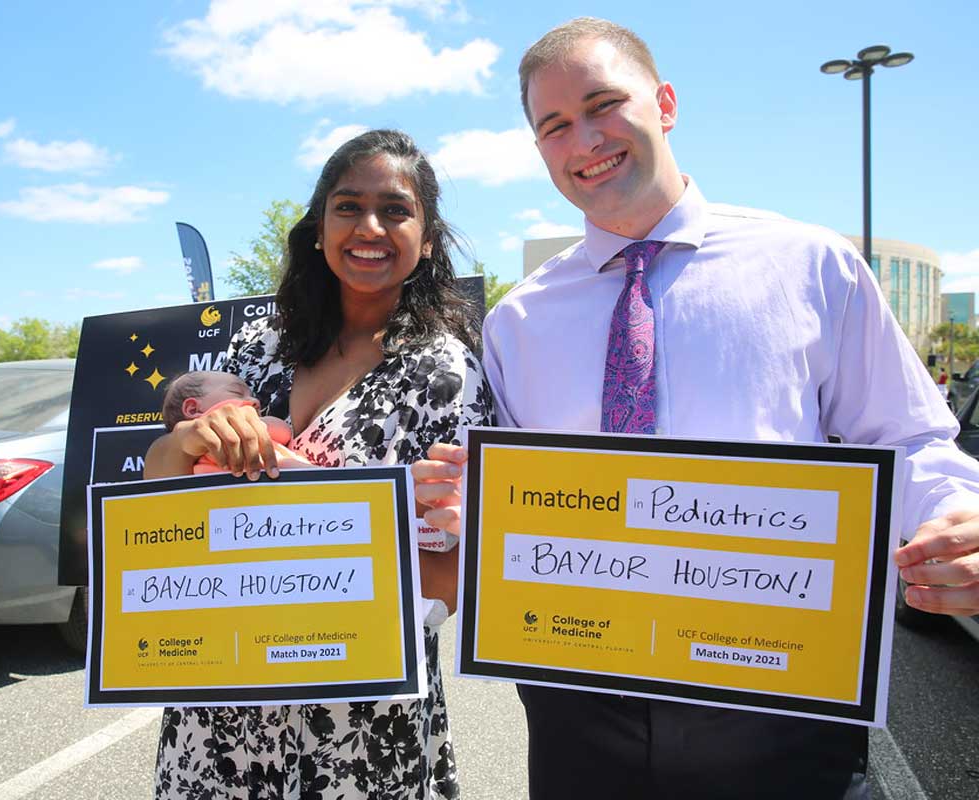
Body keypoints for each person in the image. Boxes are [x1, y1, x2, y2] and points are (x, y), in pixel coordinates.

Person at [412, 17, 979, 800]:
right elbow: (514, 497)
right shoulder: (521, 321)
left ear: (666, 103)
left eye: (604, 103)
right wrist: (466, 504)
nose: (585, 138)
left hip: (779, 700)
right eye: (555, 126)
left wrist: (954, 514)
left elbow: (910, 435)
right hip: (581, 704)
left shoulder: (812, 266)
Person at [145, 128, 494, 800]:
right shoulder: (259, 344)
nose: (370, 226)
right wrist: (188, 442)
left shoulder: (447, 373)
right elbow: (158, 497)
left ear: (426, 239)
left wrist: (351, 604)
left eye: (396, 209)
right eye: (347, 206)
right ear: (317, 228)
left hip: (358, 716)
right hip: (221, 700)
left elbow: (451, 566)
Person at [158, 370, 310, 473]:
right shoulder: (214, 450)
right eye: (237, 393)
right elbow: (283, 432)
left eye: (251, 394)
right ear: (192, 409)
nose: (255, 400)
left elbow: (284, 433)